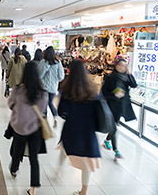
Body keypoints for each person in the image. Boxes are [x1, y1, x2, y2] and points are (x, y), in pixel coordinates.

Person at [57, 59, 100, 195]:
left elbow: (61, 112)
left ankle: (59, 169)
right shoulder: (92, 88)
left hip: (72, 127)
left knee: (65, 147)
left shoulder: (66, 88)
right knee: (87, 161)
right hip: (88, 129)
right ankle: (84, 191)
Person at [8, 62, 48, 195]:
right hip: (35, 128)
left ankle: (14, 169)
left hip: (19, 127)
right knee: (33, 158)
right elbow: (42, 111)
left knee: (17, 151)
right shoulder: (42, 92)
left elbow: (10, 104)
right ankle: (33, 189)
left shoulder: (18, 89)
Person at [101, 56, 137, 159]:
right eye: (120, 65)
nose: (122, 67)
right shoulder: (110, 77)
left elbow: (134, 85)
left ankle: (107, 140)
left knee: (114, 125)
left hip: (123, 105)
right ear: (115, 65)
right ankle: (116, 150)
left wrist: (129, 73)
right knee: (114, 126)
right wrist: (114, 95)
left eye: (124, 66)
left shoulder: (126, 77)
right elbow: (104, 91)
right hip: (112, 105)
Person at [37, 46, 65, 127]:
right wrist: (55, 80)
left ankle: (44, 121)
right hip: (53, 87)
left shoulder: (43, 62)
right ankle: (55, 117)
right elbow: (61, 76)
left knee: (44, 103)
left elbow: (39, 75)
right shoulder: (58, 63)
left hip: (44, 87)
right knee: (50, 102)